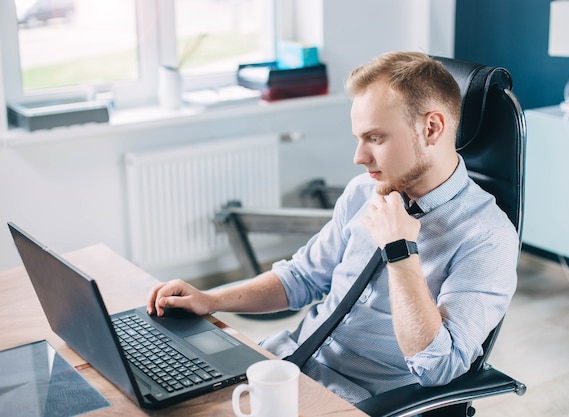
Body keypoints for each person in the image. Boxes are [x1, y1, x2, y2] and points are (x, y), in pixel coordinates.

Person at [146, 51, 519, 404]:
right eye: (359, 139)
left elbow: (438, 367)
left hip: (352, 401)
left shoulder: (486, 238)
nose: (359, 157)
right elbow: (302, 278)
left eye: (375, 138)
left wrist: (400, 252)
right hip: (284, 363)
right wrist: (210, 299)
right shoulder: (363, 192)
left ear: (432, 128)